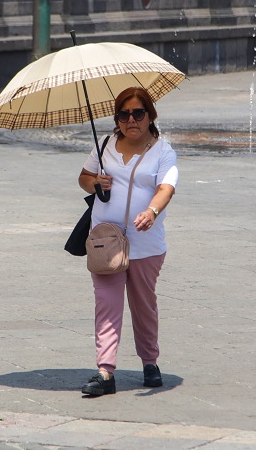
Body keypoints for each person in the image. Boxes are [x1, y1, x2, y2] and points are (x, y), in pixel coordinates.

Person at [78, 86, 178, 396]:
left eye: (137, 113)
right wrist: (95, 181)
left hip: (145, 245)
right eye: (123, 114)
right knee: (106, 306)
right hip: (105, 241)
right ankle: (105, 372)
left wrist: (152, 211)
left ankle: (150, 361)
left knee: (143, 305)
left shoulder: (163, 151)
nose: (130, 120)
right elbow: (83, 177)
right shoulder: (104, 144)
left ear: (151, 115)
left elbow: (166, 188)